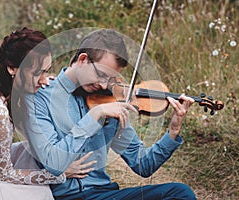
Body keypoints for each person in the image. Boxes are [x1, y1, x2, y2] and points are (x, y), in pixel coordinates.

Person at [27, 28, 197, 199]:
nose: (103, 85)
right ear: (83, 59)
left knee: (180, 193)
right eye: (100, 75)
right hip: (67, 196)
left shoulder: (109, 100)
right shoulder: (41, 97)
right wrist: (94, 116)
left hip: (105, 194)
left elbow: (143, 165)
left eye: (110, 78)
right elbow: (55, 163)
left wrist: (173, 131)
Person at [0, 27, 94, 200]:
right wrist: (60, 174)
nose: (44, 79)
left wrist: (50, 83)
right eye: (37, 73)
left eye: (47, 70)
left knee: (27, 151)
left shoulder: (8, 88)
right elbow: (4, 174)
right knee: (39, 193)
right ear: (12, 68)